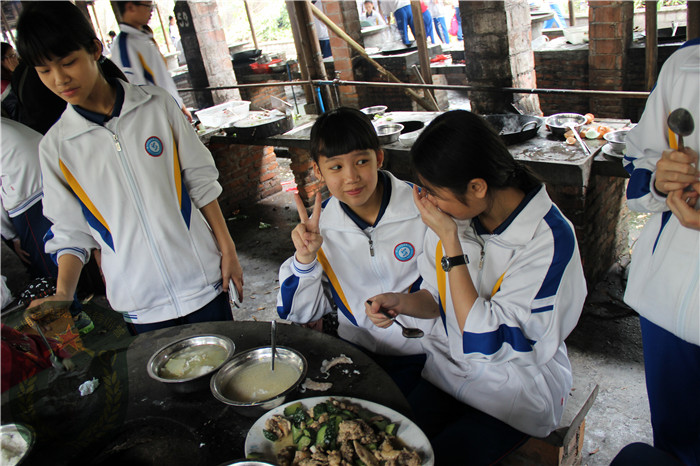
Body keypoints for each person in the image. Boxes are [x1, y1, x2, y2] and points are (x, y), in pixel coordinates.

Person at [366, 110, 587, 463]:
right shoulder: (459, 215)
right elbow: (438, 299)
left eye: (435, 193)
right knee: (380, 444)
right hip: (447, 374)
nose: (429, 203)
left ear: (477, 186)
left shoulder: (548, 241)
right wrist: (401, 302)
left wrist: (451, 243)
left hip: (511, 394)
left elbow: (487, 337)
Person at [15, 1, 244, 335]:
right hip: (140, 303)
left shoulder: (156, 106)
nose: (59, 79)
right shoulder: (57, 148)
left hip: (204, 283)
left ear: (94, 49)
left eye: (68, 62)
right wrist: (64, 294)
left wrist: (228, 249)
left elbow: (201, 183)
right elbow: (70, 230)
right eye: (44, 71)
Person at [276, 107, 433, 394]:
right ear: (318, 171)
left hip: (428, 352)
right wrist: (305, 260)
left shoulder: (422, 208)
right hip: (357, 353)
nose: (351, 177)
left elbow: (450, 285)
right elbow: (299, 313)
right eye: (335, 167)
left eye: (361, 161)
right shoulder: (320, 228)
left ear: (379, 157)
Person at [623, 37, 700, 466]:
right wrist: (659, 179)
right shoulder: (687, 63)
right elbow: (637, 162)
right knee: (670, 442)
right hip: (666, 305)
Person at [1, 117, 94, 335]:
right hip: (46, 169)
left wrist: (11, 235)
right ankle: (74, 304)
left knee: (44, 254)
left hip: (28, 186)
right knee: (65, 241)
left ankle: (71, 316)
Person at [110, 1, 192, 121]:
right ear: (130, 7)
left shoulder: (143, 38)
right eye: (148, 6)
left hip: (169, 111)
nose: (151, 11)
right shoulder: (126, 45)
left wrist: (179, 104)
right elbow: (135, 90)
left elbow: (162, 79)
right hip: (159, 117)